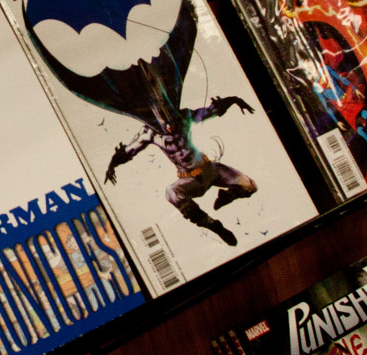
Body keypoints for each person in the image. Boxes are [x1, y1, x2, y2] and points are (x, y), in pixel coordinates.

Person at [104, 94, 258, 246]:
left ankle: (227, 196)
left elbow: (212, 110)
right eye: (164, 123)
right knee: (171, 192)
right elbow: (129, 150)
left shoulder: (184, 117)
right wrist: (112, 164)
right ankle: (213, 225)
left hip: (210, 169)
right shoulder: (149, 132)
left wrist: (235, 100)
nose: (169, 127)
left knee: (250, 185)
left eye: (170, 120)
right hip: (190, 180)